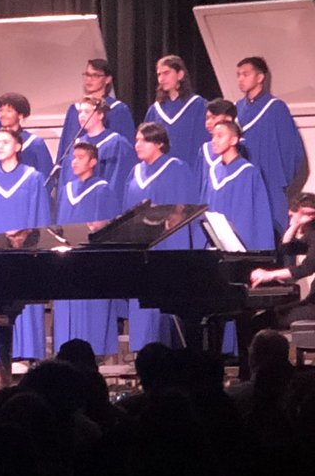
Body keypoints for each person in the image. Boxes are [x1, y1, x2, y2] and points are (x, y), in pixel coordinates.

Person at [0, 127, 50, 363]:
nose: (0, 146)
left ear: (18, 146)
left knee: (26, 301)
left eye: (6, 142)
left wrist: (39, 251)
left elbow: (41, 218)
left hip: (25, 256)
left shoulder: (33, 178)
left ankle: (28, 353)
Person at [123, 122, 197, 350]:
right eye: (136, 140)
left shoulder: (177, 168)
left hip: (167, 245)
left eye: (143, 140)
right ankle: (142, 351)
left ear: (159, 143)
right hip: (141, 246)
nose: (137, 145)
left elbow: (184, 210)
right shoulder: (135, 172)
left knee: (165, 306)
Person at [53, 142, 121, 355]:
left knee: (92, 306)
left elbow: (108, 225)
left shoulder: (102, 189)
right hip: (67, 258)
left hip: (92, 261)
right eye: (73, 157)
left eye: (81, 157)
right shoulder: (66, 190)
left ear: (93, 162)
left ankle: (95, 351)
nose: (74, 162)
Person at [234, 56, 305, 237]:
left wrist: (279, 182)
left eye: (245, 74)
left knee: (270, 236)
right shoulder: (236, 109)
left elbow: (292, 151)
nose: (240, 79)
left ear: (260, 77)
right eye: (238, 75)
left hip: (269, 184)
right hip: (243, 185)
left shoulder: (275, 108)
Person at [203, 118, 274, 251]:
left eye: (220, 136)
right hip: (215, 246)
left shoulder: (248, 173)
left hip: (240, 247)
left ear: (234, 140)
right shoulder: (213, 172)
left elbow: (257, 216)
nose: (214, 141)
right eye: (213, 136)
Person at [250, 192, 315, 327]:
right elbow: (287, 249)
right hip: (312, 302)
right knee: (267, 317)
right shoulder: (312, 235)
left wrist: (269, 275)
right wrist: (294, 226)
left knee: (260, 322)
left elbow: (306, 268)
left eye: (292, 216)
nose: (290, 220)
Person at [57, 58, 137, 157]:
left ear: (107, 79)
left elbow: (126, 148)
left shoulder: (117, 109)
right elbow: (65, 145)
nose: (89, 79)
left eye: (95, 75)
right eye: (87, 75)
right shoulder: (74, 110)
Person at [144, 55, 207, 172]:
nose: (161, 79)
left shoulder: (198, 106)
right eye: (159, 74)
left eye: (166, 73)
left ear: (180, 75)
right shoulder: (154, 111)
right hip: (160, 173)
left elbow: (203, 143)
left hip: (190, 171)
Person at [71, 96, 135, 195]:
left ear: (100, 115)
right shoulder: (77, 144)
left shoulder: (117, 143)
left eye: (87, 112)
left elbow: (119, 180)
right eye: (80, 112)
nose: (82, 116)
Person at [0, 92, 53, 177]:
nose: (3, 115)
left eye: (8, 111)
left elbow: (46, 175)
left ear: (20, 115)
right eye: (1, 110)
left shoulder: (35, 143)